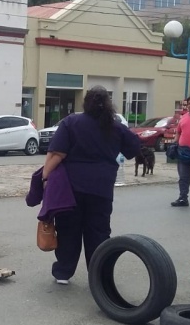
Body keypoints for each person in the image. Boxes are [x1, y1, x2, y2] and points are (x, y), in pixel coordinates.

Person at [42, 86, 140, 284]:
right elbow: (133, 148)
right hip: (102, 187)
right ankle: (98, 274)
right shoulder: (115, 126)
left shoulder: (71, 122)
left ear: (85, 102)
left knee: (69, 229)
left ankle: (63, 272)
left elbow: (57, 154)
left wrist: (45, 177)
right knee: (98, 232)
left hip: (71, 187)